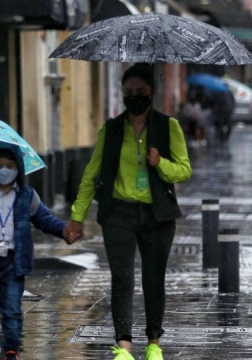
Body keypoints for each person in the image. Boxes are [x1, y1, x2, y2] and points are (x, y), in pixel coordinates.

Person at [64, 63, 192, 360]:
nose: (134, 97)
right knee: (122, 278)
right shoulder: (111, 129)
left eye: (141, 92)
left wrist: (161, 163)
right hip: (118, 213)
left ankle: (154, 344)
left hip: (157, 215)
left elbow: (184, 171)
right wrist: (76, 217)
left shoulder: (168, 127)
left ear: (152, 93)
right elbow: (89, 174)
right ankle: (123, 346)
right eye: (129, 92)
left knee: (153, 279)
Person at [0, 142, 79, 360]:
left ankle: (11, 351)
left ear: (18, 169)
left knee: (12, 308)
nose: (4, 170)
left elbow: (43, 218)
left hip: (14, 262)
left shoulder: (27, 195)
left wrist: (63, 230)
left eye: (10, 166)